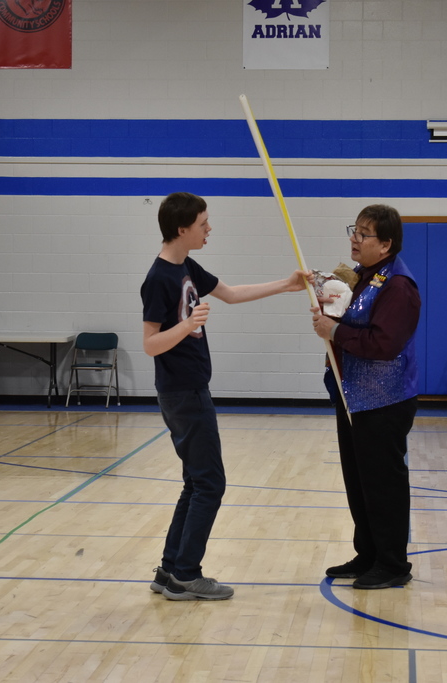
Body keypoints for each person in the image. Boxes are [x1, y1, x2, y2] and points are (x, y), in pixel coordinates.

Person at [141, 192, 307, 601]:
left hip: (190, 389)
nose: (209, 228)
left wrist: (286, 285)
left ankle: (169, 571)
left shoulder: (187, 266)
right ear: (182, 228)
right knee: (211, 484)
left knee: (195, 483)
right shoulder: (159, 278)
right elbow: (150, 344)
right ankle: (186, 574)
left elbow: (231, 294)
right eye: (203, 223)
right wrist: (188, 325)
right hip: (183, 393)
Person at [309, 204, 421, 590]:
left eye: (364, 233)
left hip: (383, 400)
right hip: (352, 394)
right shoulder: (360, 275)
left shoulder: (398, 287)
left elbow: (385, 343)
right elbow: (342, 310)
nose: (354, 239)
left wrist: (335, 332)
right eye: (353, 230)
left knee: (383, 483)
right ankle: (368, 553)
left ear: (386, 244)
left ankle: (392, 563)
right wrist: (324, 299)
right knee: (359, 481)